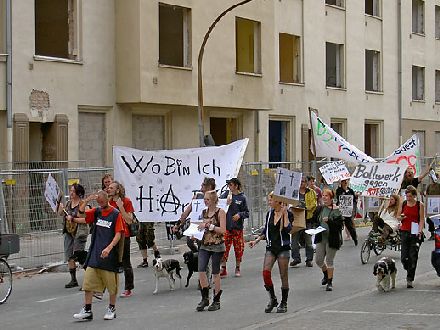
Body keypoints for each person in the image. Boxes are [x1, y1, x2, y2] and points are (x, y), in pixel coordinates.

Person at [73, 190, 125, 321]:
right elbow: (82, 214)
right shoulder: (97, 211)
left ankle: (112, 308)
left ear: (107, 199)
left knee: (111, 285)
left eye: (102, 202)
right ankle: (87, 310)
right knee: (88, 283)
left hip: (109, 256)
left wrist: (109, 247)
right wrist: (86, 201)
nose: (101, 204)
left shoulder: (115, 214)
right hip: (95, 254)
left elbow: (119, 234)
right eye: (99, 202)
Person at [249, 192, 293, 313]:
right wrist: (257, 240)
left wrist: (284, 214)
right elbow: (266, 230)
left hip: (283, 247)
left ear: (278, 201)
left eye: (270, 200)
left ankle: (284, 302)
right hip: (271, 247)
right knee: (265, 273)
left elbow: (288, 229)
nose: (268, 202)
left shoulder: (288, 213)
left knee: (283, 275)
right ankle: (273, 298)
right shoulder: (270, 214)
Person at [196, 190, 226, 312]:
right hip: (205, 244)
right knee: (201, 269)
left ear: (213, 200)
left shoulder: (220, 212)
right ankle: (204, 297)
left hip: (217, 245)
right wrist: (196, 233)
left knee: (215, 272)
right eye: (205, 199)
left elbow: (223, 230)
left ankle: (216, 299)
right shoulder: (204, 212)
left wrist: (209, 226)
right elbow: (201, 227)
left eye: (207, 199)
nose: (205, 201)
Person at [311, 188, 343, 291]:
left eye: (326, 196)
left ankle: (330, 282)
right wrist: (316, 228)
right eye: (323, 195)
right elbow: (315, 220)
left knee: (329, 260)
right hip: (321, 237)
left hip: (332, 238)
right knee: (319, 260)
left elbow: (339, 226)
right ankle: (325, 274)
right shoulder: (320, 209)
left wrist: (329, 221)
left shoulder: (336, 210)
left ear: (331, 198)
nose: (324, 197)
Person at [173, 177, 216, 253]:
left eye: (203, 185)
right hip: (196, 225)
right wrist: (178, 224)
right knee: (190, 242)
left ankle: (204, 261)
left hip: (208, 227)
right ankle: (198, 257)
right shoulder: (198, 196)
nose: (201, 187)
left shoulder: (215, 198)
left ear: (209, 186)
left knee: (203, 245)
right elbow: (186, 212)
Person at [58, 183, 89, 289]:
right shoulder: (68, 203)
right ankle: (73, 279)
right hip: (69, 231)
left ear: (78, 193)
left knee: (79, 256)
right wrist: (60, 207)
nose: (71, 193)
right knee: (69, 256)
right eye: (70, 191)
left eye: (73, 191)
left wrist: (73, 219)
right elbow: (60, 213)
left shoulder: (83, 204)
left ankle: (89, 279)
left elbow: (86, 219)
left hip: (79, 232)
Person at [107, 181, 135, 298]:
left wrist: (121, 207)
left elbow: (129, 220)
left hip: (124, 235)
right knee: (108, 262)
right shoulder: (108, 202)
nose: (109, 189)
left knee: (125, 262)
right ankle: (106, 287)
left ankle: (128, 288)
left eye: (111, 188)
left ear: (118, 190)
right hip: (111, 234)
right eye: (108, 187)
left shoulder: (126, 202)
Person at [220, 178, 249, 278]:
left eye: (231, 185)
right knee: (224, 248)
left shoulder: (242, 198)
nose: (229, 187)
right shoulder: (225, 195)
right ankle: (223, 268)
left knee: (238, 248)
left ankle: (237, 267)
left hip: (237, 228)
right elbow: (219, 204)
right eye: (228, 185)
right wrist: (225, 202)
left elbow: (247, 212)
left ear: (236, 186)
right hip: (227, 227)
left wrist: (240, 215)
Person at [398, 185, 425, 288]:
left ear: (414, 196)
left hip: (415, 232)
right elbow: (398, 216)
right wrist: (401, 217)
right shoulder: (404, 203)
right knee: (404, 257)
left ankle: (410, 279)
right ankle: (407, 266)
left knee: (413, 257)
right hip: (404, 231)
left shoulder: (419, 205)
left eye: (410, 196)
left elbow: (421, 219)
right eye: (407, 196)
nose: (408, 198)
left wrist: (420, 230)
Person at [290, 177, 317, 268]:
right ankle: (296, 258)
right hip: (296, 219)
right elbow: (290, 203)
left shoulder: (311, 192)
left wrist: (304, 207)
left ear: (307, 183)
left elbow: (314, 204)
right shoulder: (294, 192)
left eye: (304, 182)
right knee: (294, 242)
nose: (302, 183)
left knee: (308, 242)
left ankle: (309, 260)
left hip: (307, 219)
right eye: (300, 181)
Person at [335, 179, 358, 246]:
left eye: (346, 181)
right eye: (343, 181)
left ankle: (354, 238)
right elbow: (338, 197)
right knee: (339, 225)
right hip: (340, 209)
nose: (345, 183)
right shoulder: (339, 190)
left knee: (349, 225)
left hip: (348, 211)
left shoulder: (350, 190)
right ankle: (339, 240)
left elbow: (353, 199)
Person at [425, 172, 440, 240]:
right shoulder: (429, 186)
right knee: (430, 220)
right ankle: (432, 233)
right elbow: (427, 194)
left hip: (438, 205)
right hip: (431, 206)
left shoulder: (439, 185)